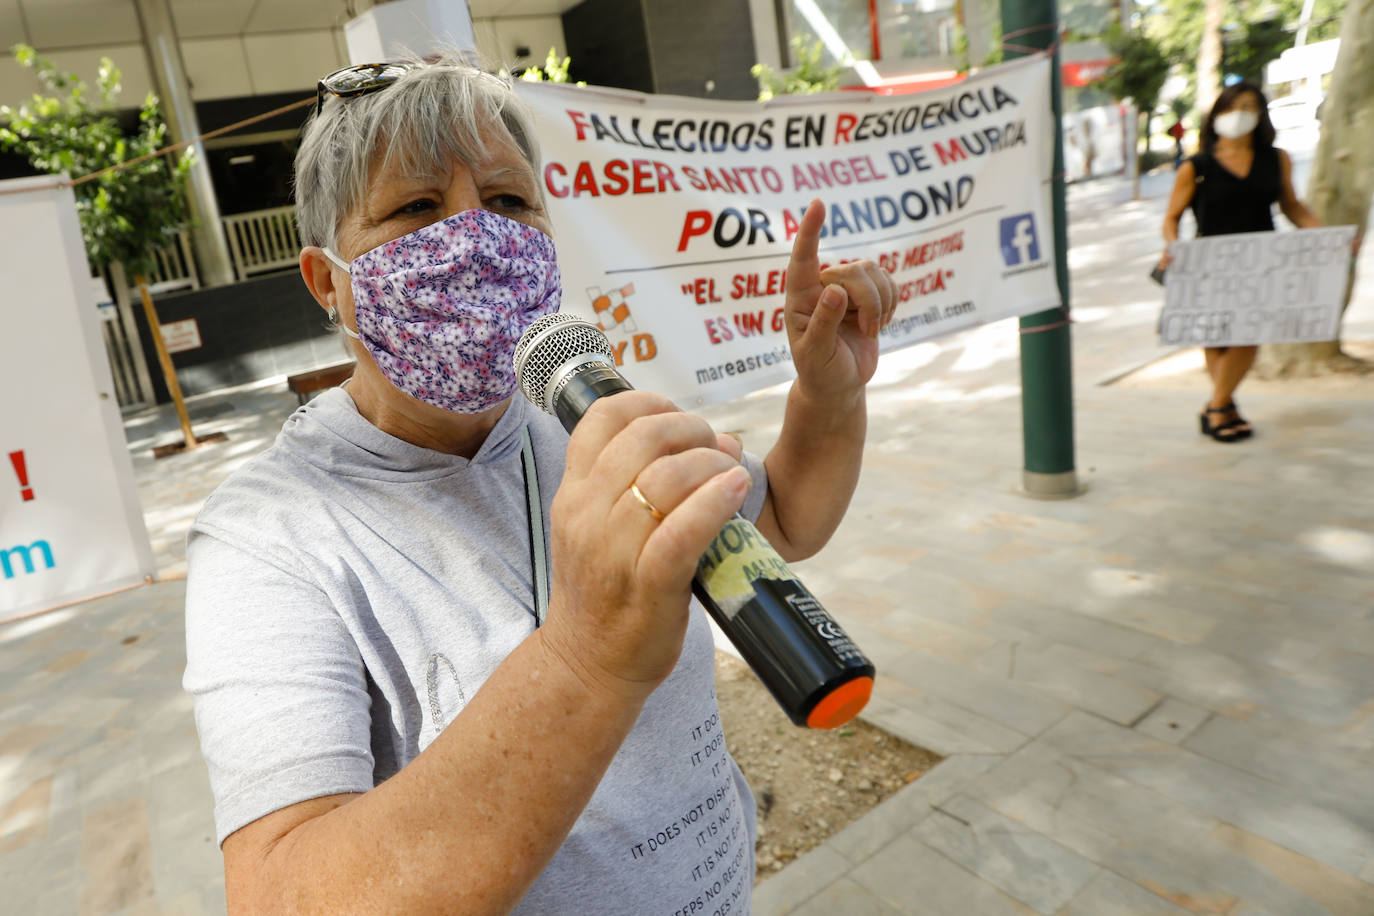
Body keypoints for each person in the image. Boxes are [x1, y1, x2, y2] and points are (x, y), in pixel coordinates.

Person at [182, 55, 897, 915]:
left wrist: (828, 394)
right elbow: (278, 895)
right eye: (416, 207)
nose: (478, 237)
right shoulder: (266, 537)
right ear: (328, 281)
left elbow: (783, 518)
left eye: (510, 201)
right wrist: (585, 653)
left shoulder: (588, 414)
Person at [1158, 80, 1322, 442]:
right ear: (1216, 115)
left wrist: (1324, 237)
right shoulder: (1195, 166)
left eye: (1249, 107)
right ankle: (1225, 406)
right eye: (1232, 107)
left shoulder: (1276, 159)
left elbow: (1291, 206)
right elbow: (1171, 218)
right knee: (1217, 340)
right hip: (1209, 264)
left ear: (1261, 114)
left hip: (1262, 262)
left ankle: (1215, 407)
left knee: (1247, 335)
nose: (1240, 115)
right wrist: (1174, 246)